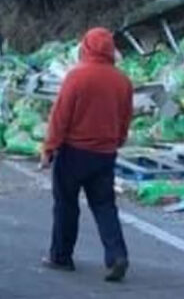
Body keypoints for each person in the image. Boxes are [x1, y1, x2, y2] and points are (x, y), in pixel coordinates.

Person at [40, 27, 132, 282]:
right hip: (105, 153)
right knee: (104, 206)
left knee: (66, 205)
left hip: (73, 152)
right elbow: (125, 118)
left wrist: (49, 148)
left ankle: (61, 256)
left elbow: (60, 117)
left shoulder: (76, 77)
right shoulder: (122, 81)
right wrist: (117, 141)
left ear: (86, 47)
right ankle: (117, 255)